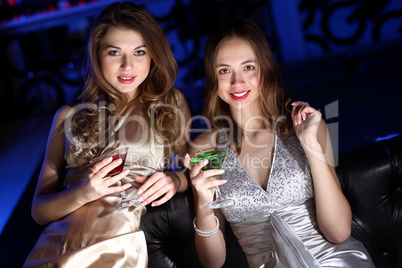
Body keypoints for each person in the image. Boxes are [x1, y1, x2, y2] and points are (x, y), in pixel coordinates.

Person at [184, 18, 374, 268]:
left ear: (264, 69)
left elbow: (338, 233)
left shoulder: (304, 128)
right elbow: (213, 262)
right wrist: (202, 201)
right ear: (212, 78)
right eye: (224, 70)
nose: (237, 81)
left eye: (248, 67)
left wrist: (311, 146)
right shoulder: (204, 148)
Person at [23, 2, 191, 267]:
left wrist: (174, 180)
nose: (127, 65)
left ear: (153, 56)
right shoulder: (68, 116)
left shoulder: (170, 104)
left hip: (117, 248)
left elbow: (191, 171)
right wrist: (84, 192)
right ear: (96, 55)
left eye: (139, 52)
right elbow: (39, 211)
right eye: (114, 52)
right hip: (56, 249)